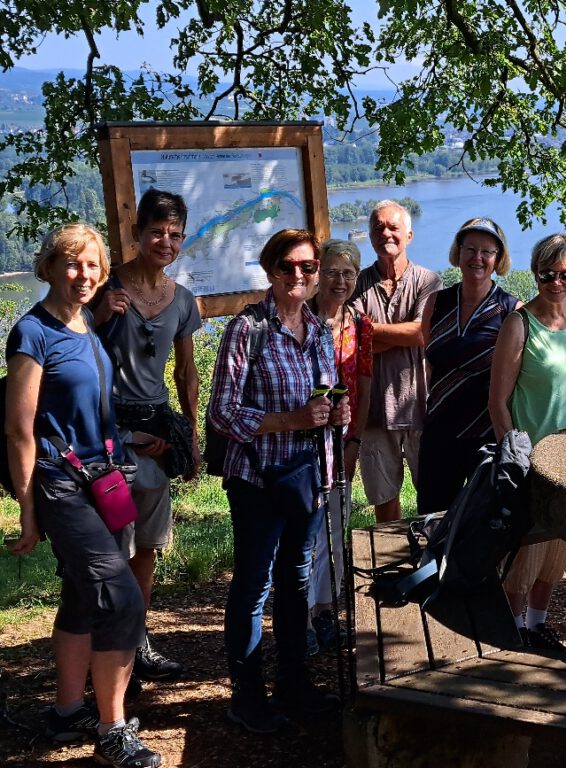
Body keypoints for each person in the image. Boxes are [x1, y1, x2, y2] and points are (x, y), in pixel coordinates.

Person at [5, 224, 161, 767]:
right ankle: (112, 730)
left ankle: (68, 710)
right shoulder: (32, 333)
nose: (84, 274)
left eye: (93, 265)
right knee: (121, 598)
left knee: (81, 594)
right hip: (59, 483)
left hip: (103, 479)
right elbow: (19, 430)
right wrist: (28, 512)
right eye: (72, 263)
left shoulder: (85, 324)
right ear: (48, 267)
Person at [207, 229, 350, 734]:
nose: (298, 275)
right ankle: (247, 697)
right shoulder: (247, 329)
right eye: (287, 266)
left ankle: (293, 682)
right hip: (258, 480)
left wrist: (337, 416)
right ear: (270, 270)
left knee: (296, 580)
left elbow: (324, 401)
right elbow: (222, 412)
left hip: (307, 478)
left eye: (308, 267)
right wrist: (291, 420)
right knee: (254, 586)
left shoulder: (318, 330)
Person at [92, 189, 201, 687]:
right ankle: (107, 655)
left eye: (175, 234)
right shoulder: (106, 288)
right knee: (112, 549)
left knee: (146, 549)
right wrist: (99, 316)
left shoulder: (182, 300)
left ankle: (137, 646)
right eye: (157, 232)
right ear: (137, 233)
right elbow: (73, 356)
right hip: (109, 440)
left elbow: (186, 373)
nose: (166, 242)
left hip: (155, 437)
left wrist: (190, 437)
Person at [489, 233, 566, 649]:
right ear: (535, 274)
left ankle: (537, 626)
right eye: (547, 274)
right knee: (524, 558)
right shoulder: (519, 324)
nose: (556, 283)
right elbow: (498, 403)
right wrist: (516, 461)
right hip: (534, 466)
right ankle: (512, 634)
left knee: (558, 553)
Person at [417, 217, 521, 514]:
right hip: (439, 432)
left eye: (487, 251)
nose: (478, 258)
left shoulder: (511, 311)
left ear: (498, 259)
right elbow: (430, 360)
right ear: (458, 252)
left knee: (481, 522)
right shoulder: (436, 302)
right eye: (470, 249)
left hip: (485, 435)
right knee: (432, 517)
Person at [351, 200, 441, 523]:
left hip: (421, 408)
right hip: (373, 411)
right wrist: (402, 333)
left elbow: (421, 333)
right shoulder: (357, 283)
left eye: (393, 227)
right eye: (378, 228)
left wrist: (368, 332)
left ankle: (434, 554)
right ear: (370, 237)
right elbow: (351, 340)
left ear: (409, 235)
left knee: (433, 499)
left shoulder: (428, 281)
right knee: (385, 503)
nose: (385, 233)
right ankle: (393, 556)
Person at [305, 239, 373, 652]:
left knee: (334, 530)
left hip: (343, 443)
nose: (340, 281)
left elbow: (364, 384)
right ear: (318, 274)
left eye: (348, 273)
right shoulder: (300, 318)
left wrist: (356, 440)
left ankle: (326, 613)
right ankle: (301, 620)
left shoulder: (360, 324)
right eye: (331, 272)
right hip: (301, 442)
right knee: (304, 533)